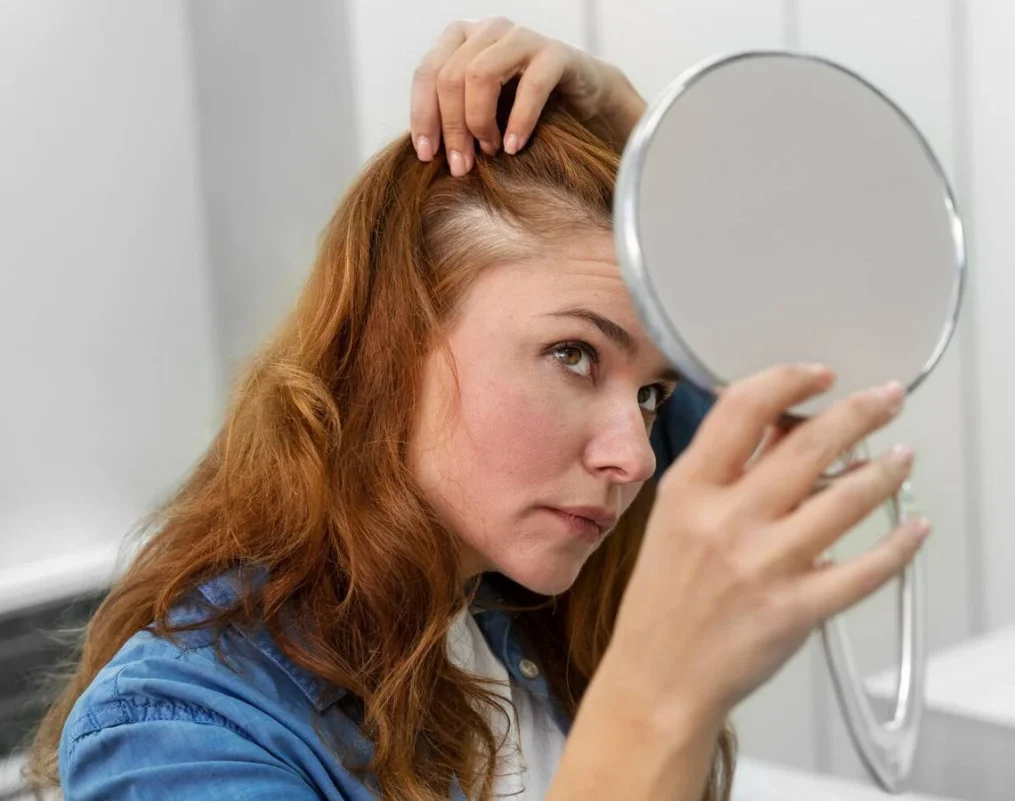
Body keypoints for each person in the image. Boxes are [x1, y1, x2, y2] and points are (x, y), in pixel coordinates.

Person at [28, 18, 927, 801]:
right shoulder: (180, 734)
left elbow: (806, 348)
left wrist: (642, 138)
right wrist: (655, 702)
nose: (638, 456)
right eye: (573, 354)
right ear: (393, 341)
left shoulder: (524, 593)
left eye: (653, 393)